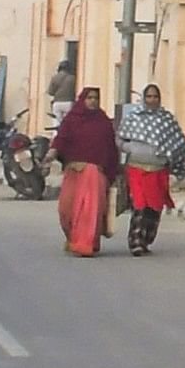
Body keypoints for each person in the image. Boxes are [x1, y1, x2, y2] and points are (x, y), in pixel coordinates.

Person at [51, 86, 120, 257]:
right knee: (66, 209)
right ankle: (72, 237)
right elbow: (61, 139)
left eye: (96, 98)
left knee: (91, 211)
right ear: (82, 100)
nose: (93, 101)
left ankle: (87, 244)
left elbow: (111, 149)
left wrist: (114, 171)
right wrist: (51, 154)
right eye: (89, 98)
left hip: (96, 173)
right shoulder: (72, 119)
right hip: (74, 171)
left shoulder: (103, 122)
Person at [116, 84, 184, 256]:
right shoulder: (134, 118)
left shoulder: (167, 120)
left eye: (155, 97)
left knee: (154, 208)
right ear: (143, 99)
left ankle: (147, 239)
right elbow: (119, 138)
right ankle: (135, 242)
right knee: (139, 205)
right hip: (137, 169)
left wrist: (175, 163)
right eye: (149, 97)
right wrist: (128, 147)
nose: (152, 100)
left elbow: (179, 144)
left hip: (159, 170)